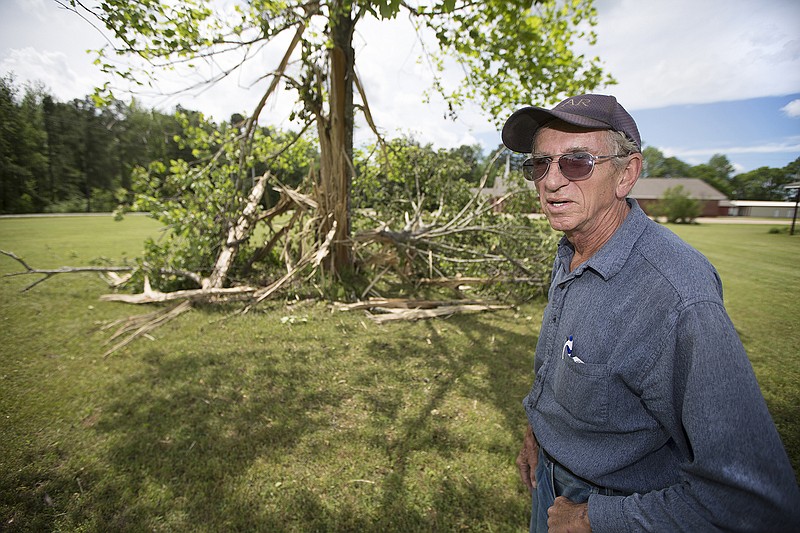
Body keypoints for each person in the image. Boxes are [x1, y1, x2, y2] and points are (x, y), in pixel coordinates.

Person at [501, 94, 800, 532]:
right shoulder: (574, 247)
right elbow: (559, 360)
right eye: (540, 164)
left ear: (627, 174)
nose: (550, 181)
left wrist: (593, 518)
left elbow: (755, 501)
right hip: (551, 479)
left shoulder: (677, 296)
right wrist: (538, 434)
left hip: (616, 505)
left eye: (576, 162)